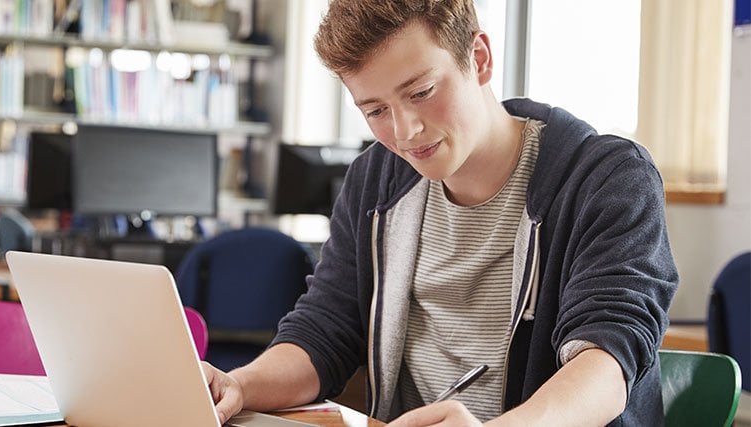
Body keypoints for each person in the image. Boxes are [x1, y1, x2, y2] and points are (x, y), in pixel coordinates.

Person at [202, 0, 679, 425]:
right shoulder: (375, 179)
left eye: (422, 92)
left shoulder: (607, 177)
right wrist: (240, 386)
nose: (405, 131)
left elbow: (607, 360)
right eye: (375, 110)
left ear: (480, 58)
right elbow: (324, 329)